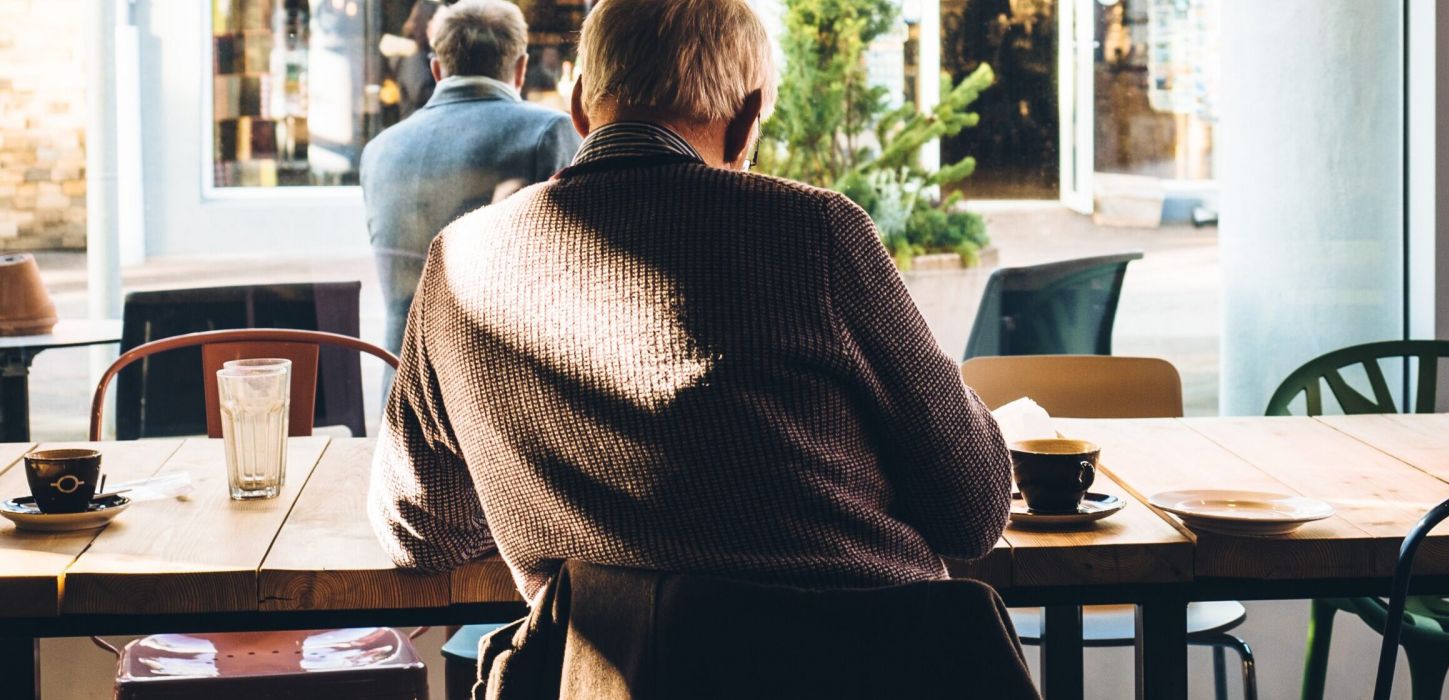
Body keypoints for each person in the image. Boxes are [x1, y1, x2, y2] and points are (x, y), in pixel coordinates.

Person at [368, 0, 1009, 603]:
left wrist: (548, 496)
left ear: (579, 107)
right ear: (746, 120)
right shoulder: (813, 233)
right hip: (870, 667)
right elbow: (974, 508)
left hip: (610, 679)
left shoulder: (459, 261)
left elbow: (419, 529)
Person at [360, 0, 580, 355]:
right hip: (494, 390)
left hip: (399, 386)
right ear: (521, 69)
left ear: (436, 70)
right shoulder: (547, 133)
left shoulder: (379, 149)